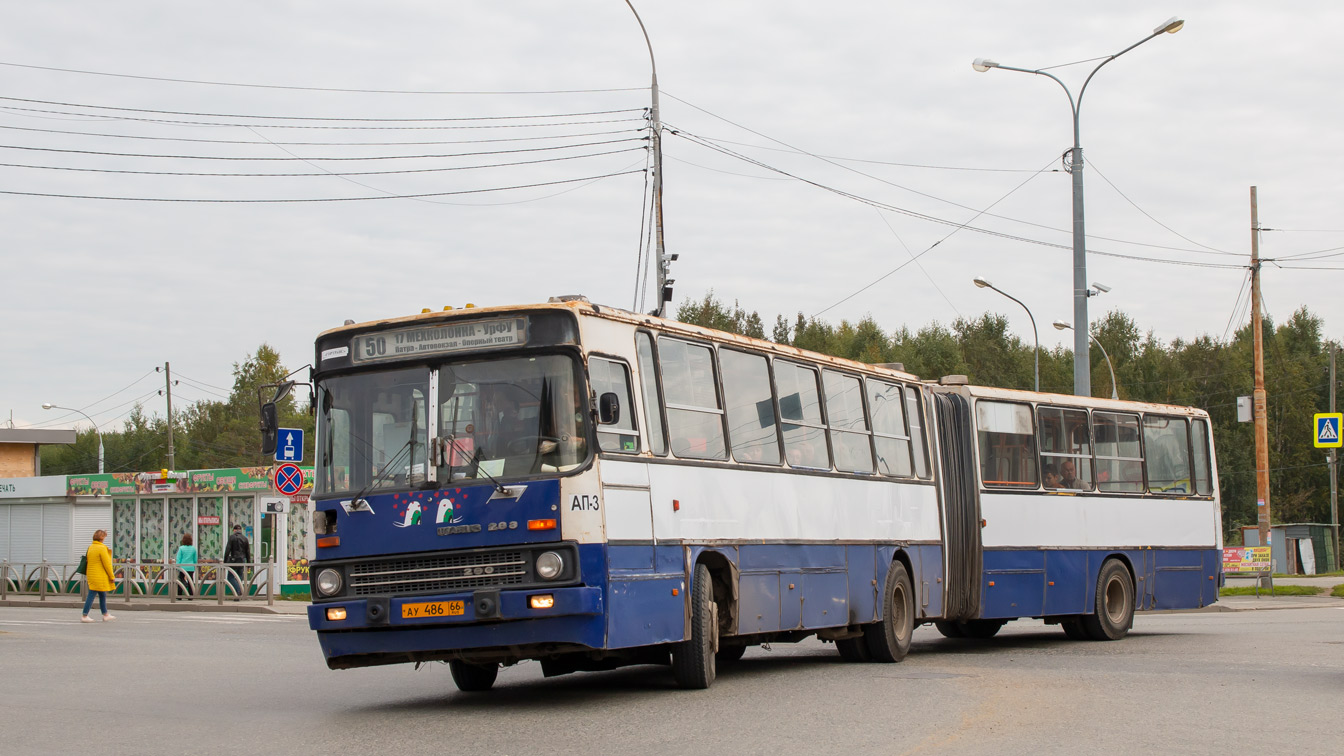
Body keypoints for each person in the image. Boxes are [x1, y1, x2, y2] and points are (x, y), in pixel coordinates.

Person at [80, 530, 116, 623]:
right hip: (99, 575)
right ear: (102, 538)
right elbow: (107, 564)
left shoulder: (91, 547)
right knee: (92, 594)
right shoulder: (101, 548)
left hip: (92, 574)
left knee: (102, 594)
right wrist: (112, 576)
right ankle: (85, 615)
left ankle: (105, 614)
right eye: (104, 537)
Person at [224, 524, 251, 598]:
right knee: (239, 578)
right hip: (242, 560)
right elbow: (248, 552)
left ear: (234, 530)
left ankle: (238, 591)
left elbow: (227, 550)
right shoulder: (245, 539)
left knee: (230, 577)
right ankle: (238, 593)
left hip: (233, 560)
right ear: (240, 530)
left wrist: (225, 561)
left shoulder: (232, 538)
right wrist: (249, 564)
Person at [173, 533, 197, 599]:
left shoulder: (181, 548)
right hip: (191, 567)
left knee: (181, 579)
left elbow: (179, 558)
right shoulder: (193, 549)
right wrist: (194, 566)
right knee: (191, 581)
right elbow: (195, 559)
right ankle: (190, 596)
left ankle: (179, 595)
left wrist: (177, 567)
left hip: (182, 567)